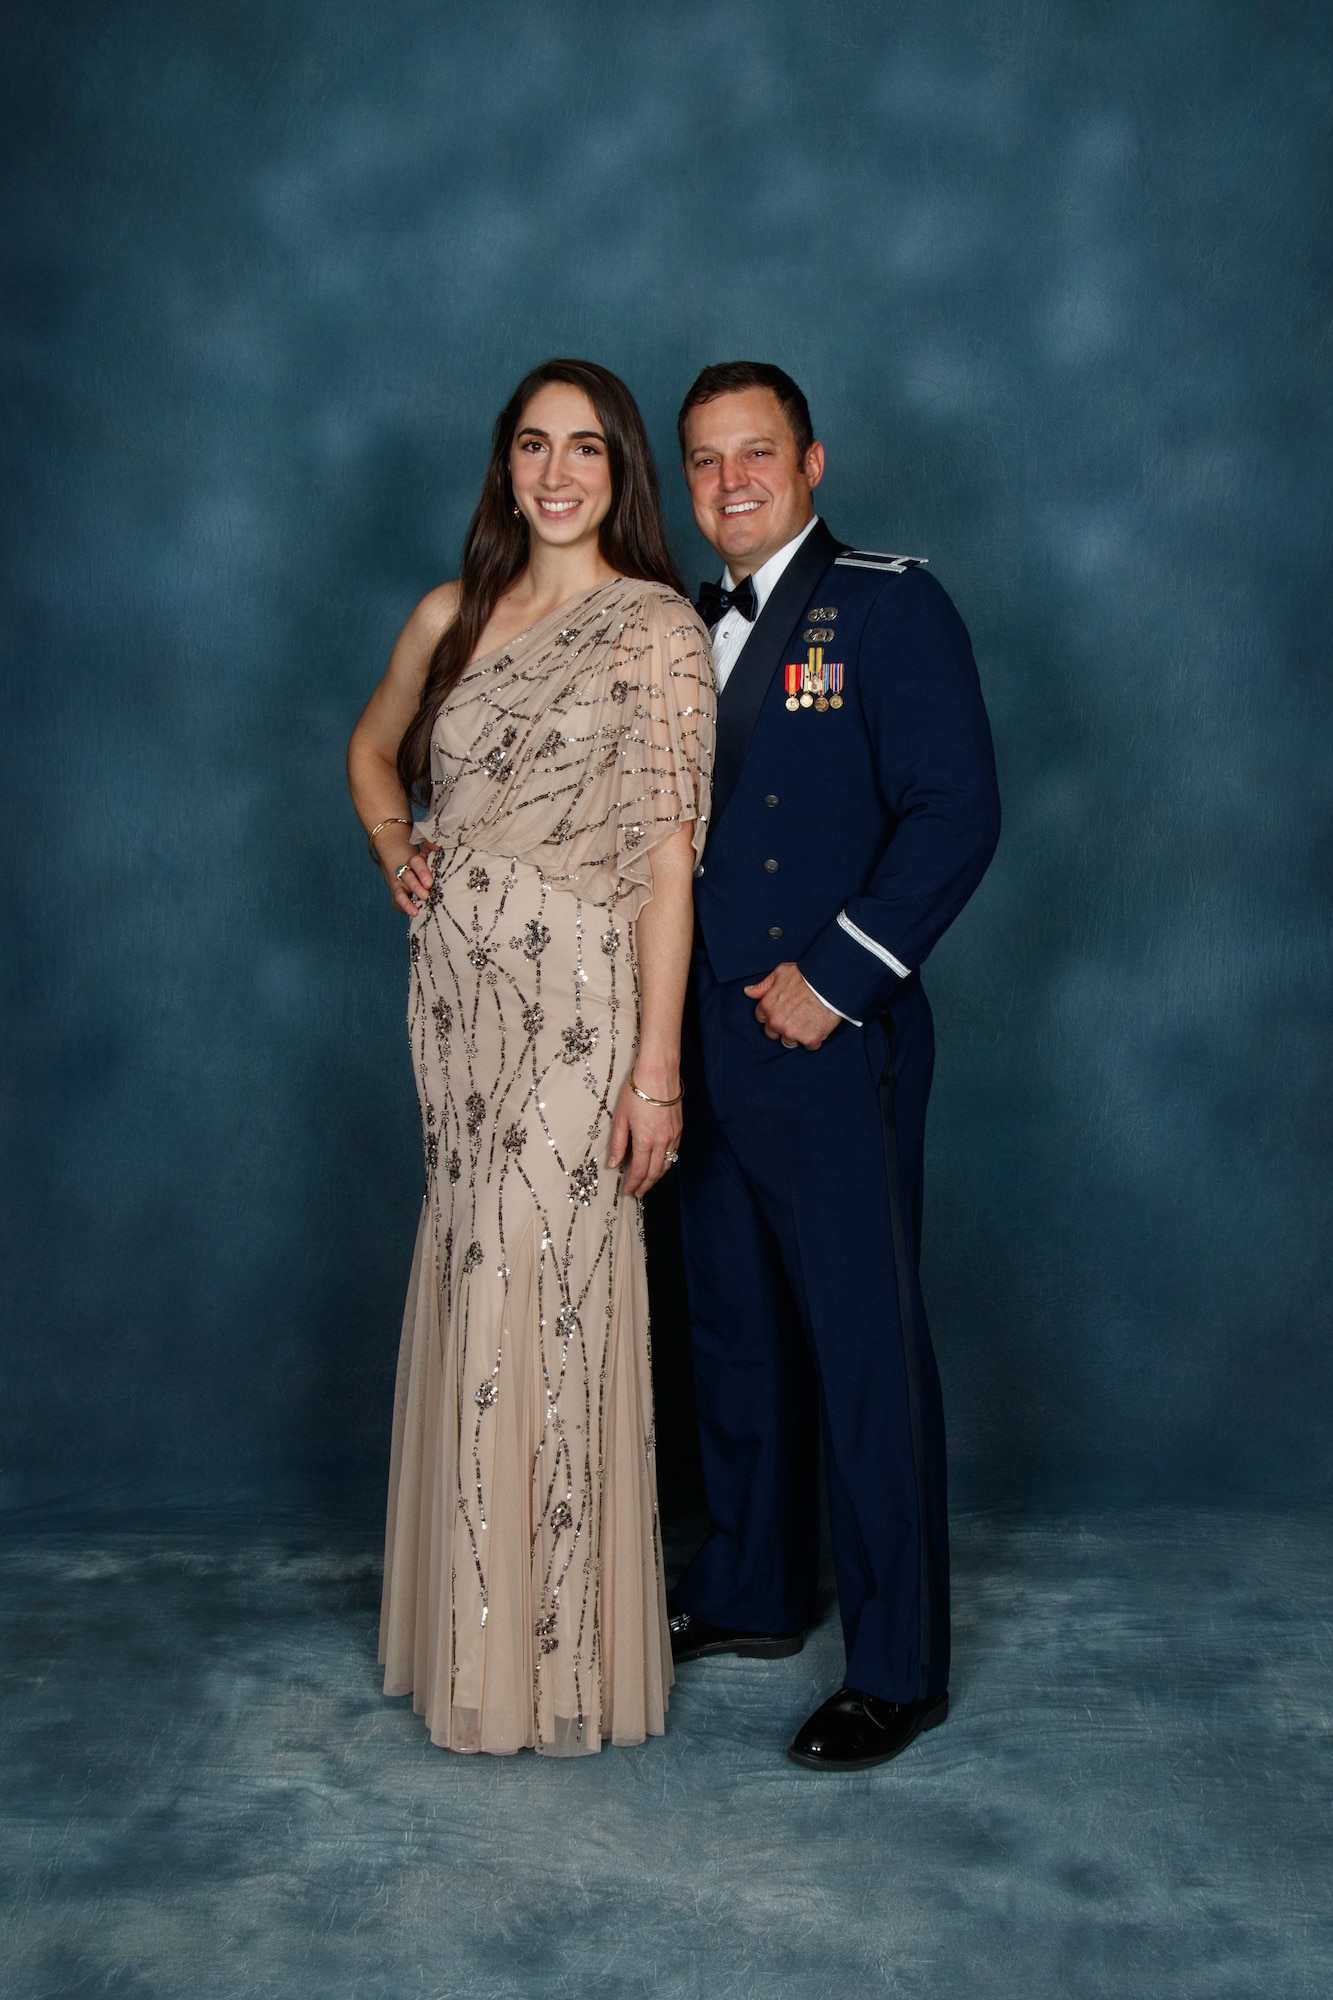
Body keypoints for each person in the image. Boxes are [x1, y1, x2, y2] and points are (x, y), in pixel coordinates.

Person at [346, 360, 715, 1756]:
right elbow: (372, 754)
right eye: (529, 447)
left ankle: (549, 1658)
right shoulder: (452, 613)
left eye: (585, 451)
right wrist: (397, 842)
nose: (556, 474)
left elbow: (669, 868)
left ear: (620, 472)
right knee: (475, 1272)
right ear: (504, 465)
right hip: (453, 1002)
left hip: (579, 1001)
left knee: (530, 1279)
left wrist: (656, 1069)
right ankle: (473, 1641)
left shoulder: (655, 632)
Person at [667, 361, 1000, 1770]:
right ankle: (750, 1587)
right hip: (696, 1037)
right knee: (732, 1328)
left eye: (755, 455)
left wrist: (839, 977)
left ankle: (896, 1663)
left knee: (862, 1349)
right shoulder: (680, 627)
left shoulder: (884, 605)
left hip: (827, 1037)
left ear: (811, 462)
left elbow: (955, 810)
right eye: (702, 461)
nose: (729, 483)